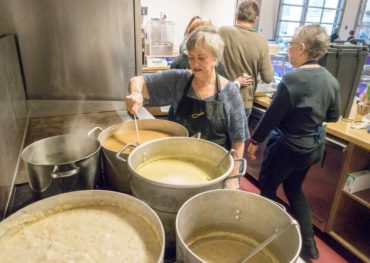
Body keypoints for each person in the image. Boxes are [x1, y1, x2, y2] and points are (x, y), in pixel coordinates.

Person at [246, 24, 340, 260]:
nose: (288, 51)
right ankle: (310, 247)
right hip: (312, 148)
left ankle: (265, 240)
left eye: (290, 45)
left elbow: (271, 117)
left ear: (301, 48)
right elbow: (333, 116)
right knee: (293, 188)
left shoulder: (292, 79)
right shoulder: (331, 80)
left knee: (267, 188)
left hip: (287, 148)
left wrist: (255, 140)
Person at [125, 26, 250, 189]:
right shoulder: (179, 81)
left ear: (215, 58)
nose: (194, 64)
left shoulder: (230, 92)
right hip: (176, 168)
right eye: (191, 57)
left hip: (213, 173)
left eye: (201, 58)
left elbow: (238, 141)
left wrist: (233, 177)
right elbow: (137, 81)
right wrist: (135, 93)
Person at [218, 0, 274, 120]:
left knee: (215, 137)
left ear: (237, 14)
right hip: (244, 101)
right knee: (237, 138)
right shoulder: (261, 41)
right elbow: (268, 77)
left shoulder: (222, 32)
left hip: (220, 96)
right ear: (256, 18)